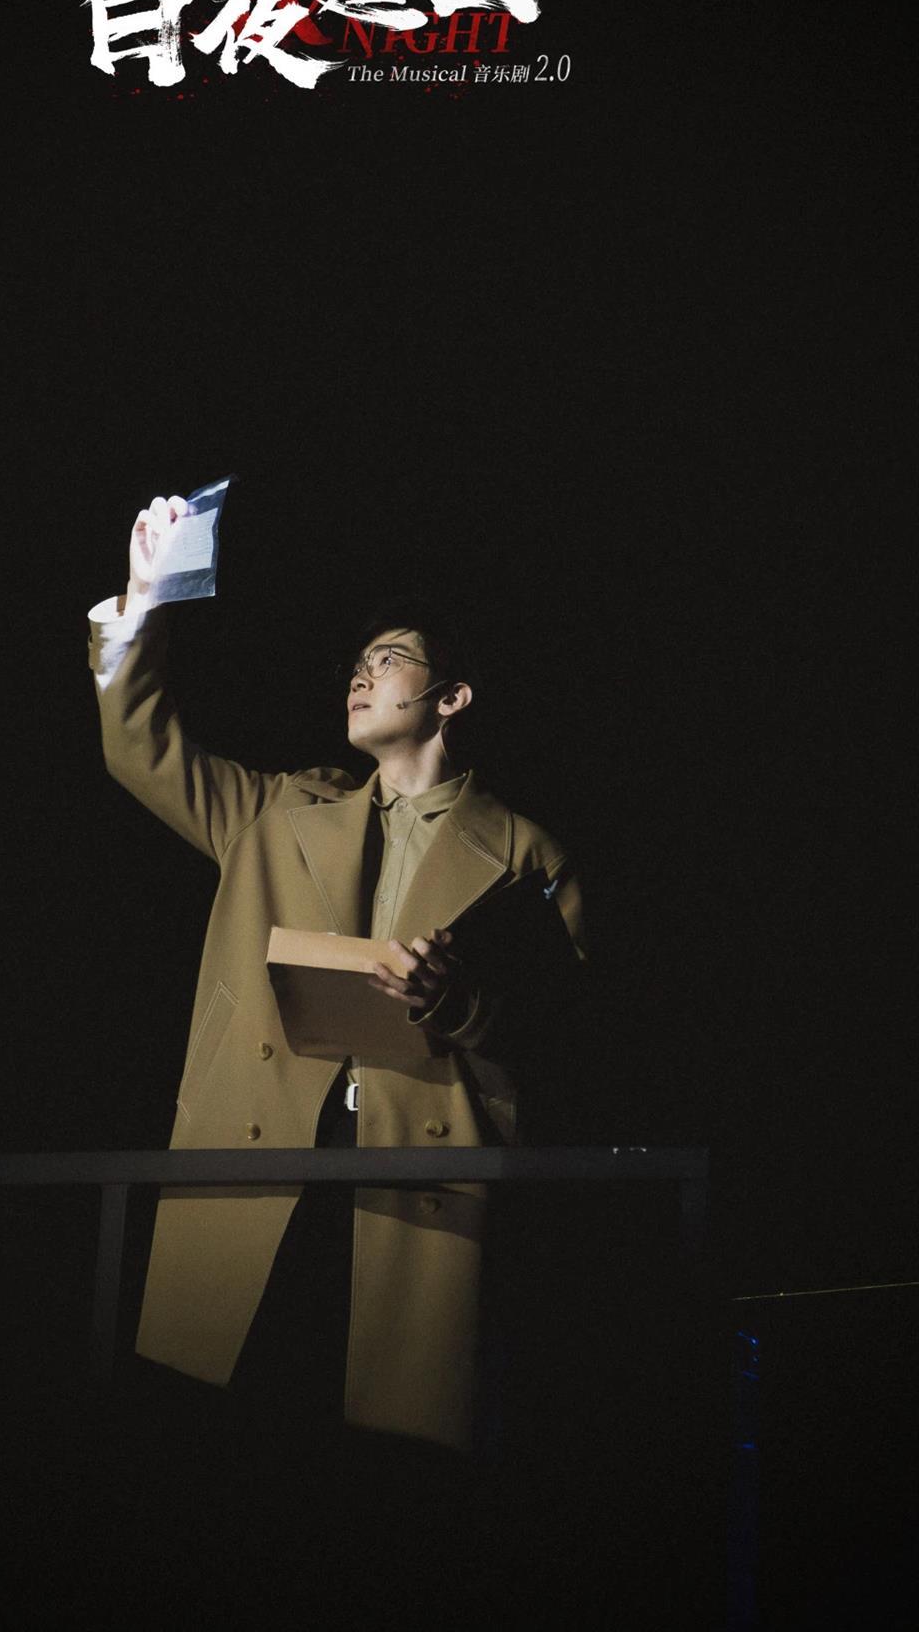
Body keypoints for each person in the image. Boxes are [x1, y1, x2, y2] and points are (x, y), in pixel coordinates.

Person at [87, 492, 586, 1464]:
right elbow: (137, 748)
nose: (362, 675)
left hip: (411, 1191)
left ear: (452, 696)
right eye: (357, 664)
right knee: (220, 1448)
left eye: (389, 659)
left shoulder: (527, 854)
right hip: (264, 1166)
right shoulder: (275, 815)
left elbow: (569, 1039)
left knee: (381, 1470)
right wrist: (140, 607)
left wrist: (460, 1004)